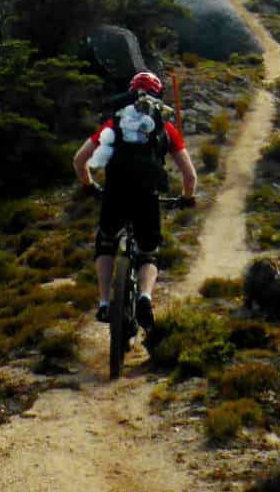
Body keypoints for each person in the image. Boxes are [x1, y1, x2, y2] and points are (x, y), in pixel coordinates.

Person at [72, 70, 197, 332]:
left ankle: (105, 302)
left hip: (115, 194)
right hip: (147, 196)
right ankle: (145, 297)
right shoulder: (165, 127)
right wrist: (186, 198)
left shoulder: (114, 123)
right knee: (148, 252)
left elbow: (79, 160)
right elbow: (189, 175)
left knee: (105, 243)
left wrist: (89, 186)